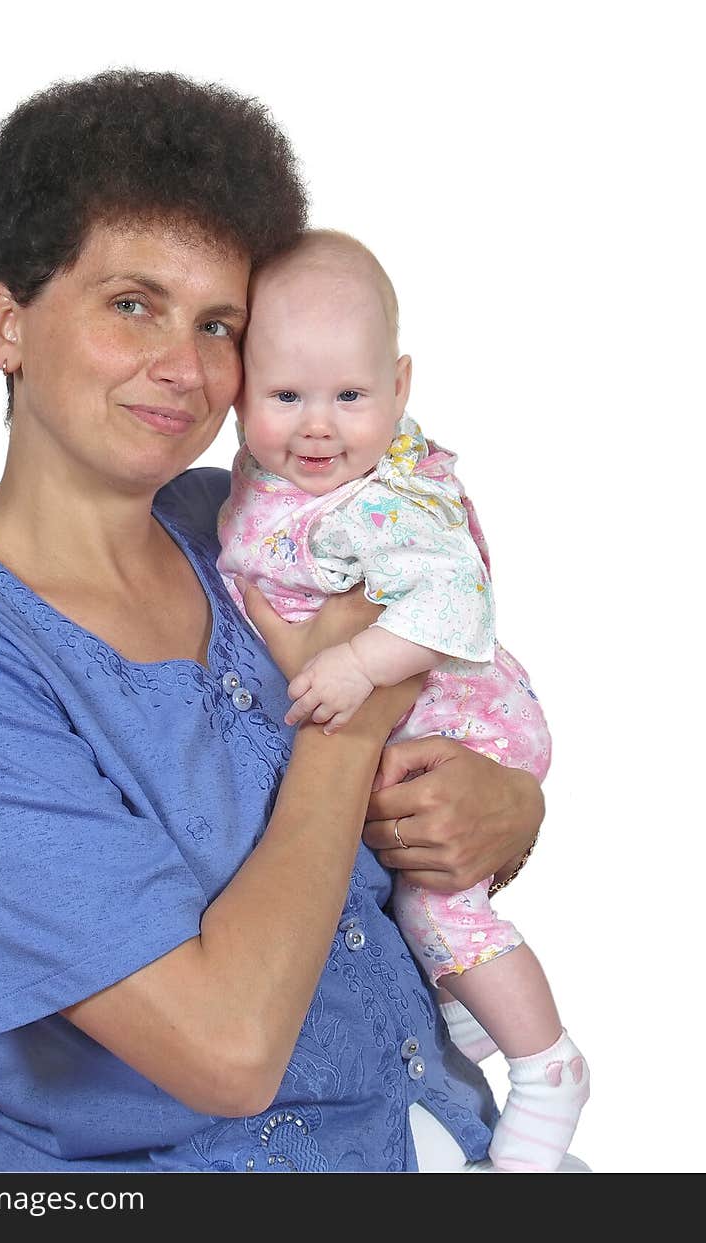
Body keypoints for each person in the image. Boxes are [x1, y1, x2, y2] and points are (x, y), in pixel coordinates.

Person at [0, 70, 553, 1173]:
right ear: (7, 321)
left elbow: (452, 682)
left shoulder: (254, 529)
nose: (183, 368)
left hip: (451, 1139)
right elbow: (225, 1052)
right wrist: (349, 719)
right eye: (133, 304)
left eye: (218, 323)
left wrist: (502, 810)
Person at [217, 230, 589, 1172]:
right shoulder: (276, 484)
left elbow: (457, 600)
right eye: (285, 395)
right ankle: (459, 1004)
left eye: (350, 396)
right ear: (237, 387)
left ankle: (546, 1066)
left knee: (437, 908)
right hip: (411, 719)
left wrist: (355, 667)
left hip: (459, 716)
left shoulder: (386, 500)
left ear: (402, 384)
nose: (317, 427)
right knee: (417, 897)